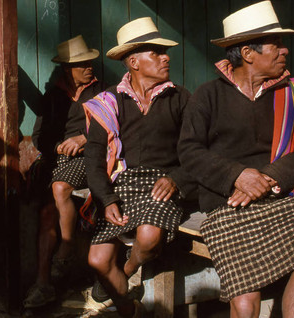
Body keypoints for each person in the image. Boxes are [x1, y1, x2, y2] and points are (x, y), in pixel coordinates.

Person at [178, 1, 294, 317]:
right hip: (227, 203)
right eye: (277, 44)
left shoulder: (290, 93)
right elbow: (189, 151)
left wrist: (271, 177)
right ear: (248, 53)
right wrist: (238, 175)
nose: (284, 51)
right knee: (245, 303)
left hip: (281, 197)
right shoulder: (208, 95)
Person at [84, 17, 195, 317]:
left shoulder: (181, 98)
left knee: (147, 237)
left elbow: (198, 151)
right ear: (133, 61)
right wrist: (105, 199)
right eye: (156, 53)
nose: (165, 57)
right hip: (123, 185)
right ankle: (129, 310)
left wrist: (177, 178)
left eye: (164, 52)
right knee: (97, 260)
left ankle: (128, 269)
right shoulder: (109, 102)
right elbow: (94, 158)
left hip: (164, 183)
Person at [24, 35, 104, 308]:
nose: (88, 67)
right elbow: (38, 137)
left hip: (91, 157)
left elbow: (113, 126)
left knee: (60, 188)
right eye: (81, 64)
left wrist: (84, 139)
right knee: (47, 212)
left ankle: (67, 249)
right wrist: (58, 147)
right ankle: (43, 283)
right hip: (58, 161)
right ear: (67, 69)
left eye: (89, 62)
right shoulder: (54, 96)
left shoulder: (102, 92)